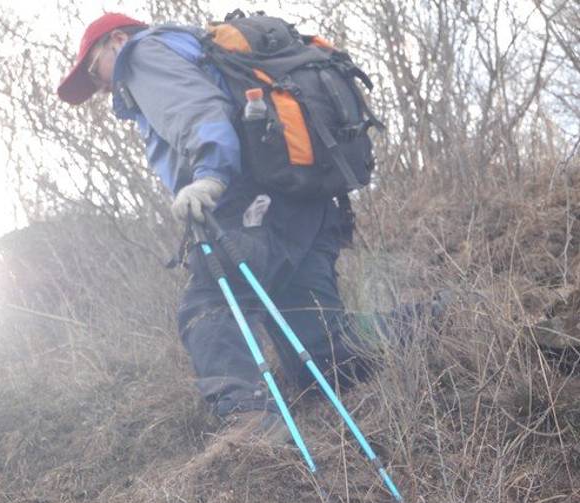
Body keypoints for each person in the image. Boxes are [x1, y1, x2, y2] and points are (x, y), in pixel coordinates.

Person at [58, 13, 440, 444]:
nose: (100, 86)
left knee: (210, 306)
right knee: (321, 353)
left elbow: (198, 110)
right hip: (304, 201)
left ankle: (253, 426)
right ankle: (437, 322)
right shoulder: (197, 49)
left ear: (117, 40)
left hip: (249, 201)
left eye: (94, 71)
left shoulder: (141, 53)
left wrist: (210, 176)